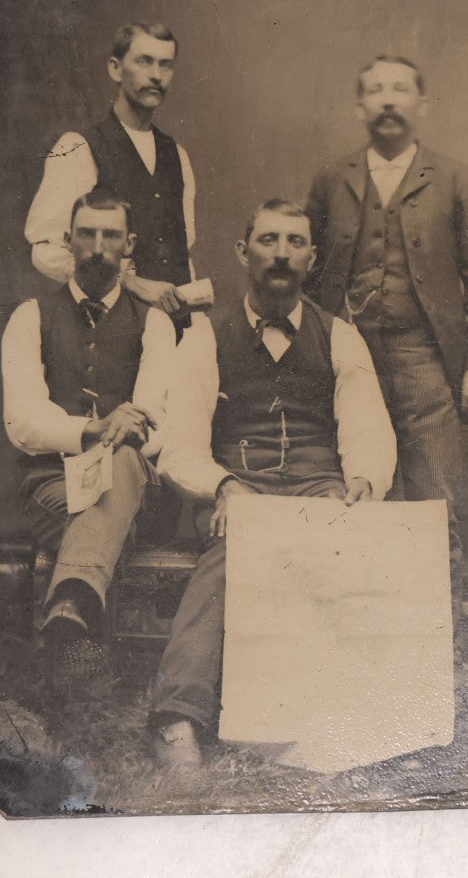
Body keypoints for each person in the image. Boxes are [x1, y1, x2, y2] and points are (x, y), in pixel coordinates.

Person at [149, 199, 397, 767]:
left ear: (311, 258)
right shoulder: (207, 338)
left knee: (342, 551)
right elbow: (179, 444)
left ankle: (334, 719)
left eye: (293, 242)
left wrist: (362, 480)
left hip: (316, 487)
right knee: (231, 556)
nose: (280, 253)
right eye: (267, 240)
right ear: (244, 252)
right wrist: (223, 488)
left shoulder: (340, 337)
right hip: (243, 488)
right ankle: (177, 716)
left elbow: (368, 427)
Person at [304, 55, 468, 550]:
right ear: (359, 107)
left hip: (424, 355)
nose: (389, 100)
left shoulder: (457, 180)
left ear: (423, 104)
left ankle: (439, 602)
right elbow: (304, 269)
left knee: (432, 487)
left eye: (400, 89)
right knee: (351, 475)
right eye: (375, 90)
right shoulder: (332, 180)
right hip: (347, 352)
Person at [2, 188, 175, 684]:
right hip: (52, 486)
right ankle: (81, 622)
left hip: (136, 490)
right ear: (68, 241)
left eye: (111, 235)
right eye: (87, 234)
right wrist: (95, 429)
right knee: (100, 511)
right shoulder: (30, 316)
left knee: (122, 466)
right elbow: (23, 421)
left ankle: (67, 610)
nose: (98, 247)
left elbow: (156, 413)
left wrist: (131, 425)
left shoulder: (155, 322)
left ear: (129, 244)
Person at [25, 22, 196, 318]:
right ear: (116, 69)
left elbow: (182, 252)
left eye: (165, 65)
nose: (156, 75)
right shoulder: (79, 147)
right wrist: (127, 282)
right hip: (107, 328)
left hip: (171, 333)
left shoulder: (177, 155)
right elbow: (46, 249)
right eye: (144, 61)